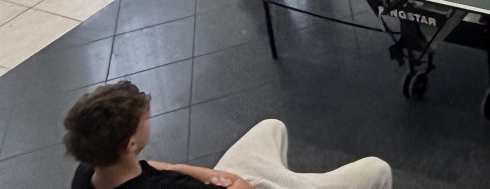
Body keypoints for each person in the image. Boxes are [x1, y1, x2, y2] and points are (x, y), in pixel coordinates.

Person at [64, 80, 391, 189]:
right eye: (144, 119)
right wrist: (234, 181)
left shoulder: (90, 172)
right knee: (377, 170)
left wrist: (205, 174)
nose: (149, 117)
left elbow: (161, 166)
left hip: (222, 183)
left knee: (271, 128)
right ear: (130, 144)